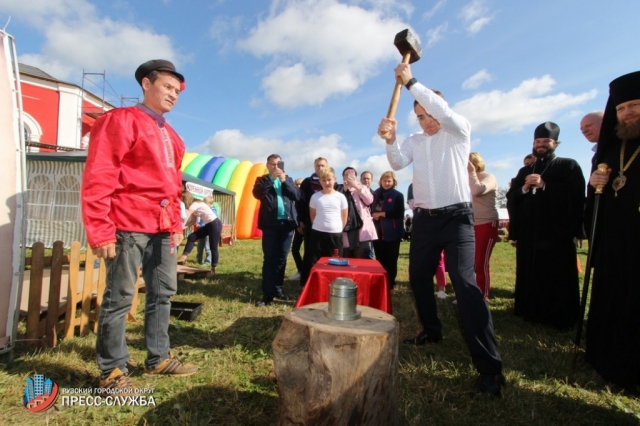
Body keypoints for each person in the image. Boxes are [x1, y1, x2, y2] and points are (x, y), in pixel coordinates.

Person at [377, 62, 503, 396]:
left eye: (429, 113)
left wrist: (411, 83)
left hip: (458, 218)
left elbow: (439, 109)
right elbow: (396, 162)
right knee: (418, 276)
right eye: (418, 116)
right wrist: (390, 139)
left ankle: (491, 369)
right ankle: (431, 330)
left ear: (440, 110)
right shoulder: (416, 141)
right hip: (425, 220)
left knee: (464, 282)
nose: (425, 120)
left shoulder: (458, 130)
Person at [81, 59, 197, 391]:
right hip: (128, 223)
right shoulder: (119, 121)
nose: (173, 94)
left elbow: (173, 186)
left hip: (163, 227)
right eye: (167, 87)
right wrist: (100, 229)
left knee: (163, 294)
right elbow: (100, 175)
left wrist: (176, 224)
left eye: (177, 90)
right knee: (120, 296)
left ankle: (158, 358)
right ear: (146, 84)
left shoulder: (173, 137)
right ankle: (112, 371)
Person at [585, 71, 640, 388]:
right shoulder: (610, 150)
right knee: (612, 294)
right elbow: (598, 192)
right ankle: (606, 357)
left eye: (633, 106)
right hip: (614, 237)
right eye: (621, 108)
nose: (627, 113)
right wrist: (595, 184)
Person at [506, 122, 585, 330]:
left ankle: (557, 315)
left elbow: (575, 197)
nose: (540, 145)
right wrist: (523, 188)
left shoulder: (569, 166)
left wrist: (545, 186)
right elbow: (512, 198)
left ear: (555, 143)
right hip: (530, 234)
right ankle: (530, 310)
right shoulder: (525, 170)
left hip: (555, 234)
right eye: (537, 141)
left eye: (545, 142)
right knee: (529, 272)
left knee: (555, 276)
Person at [252, 154, 300, 307]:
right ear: (267, 165)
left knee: (282, 258)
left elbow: (297, 195)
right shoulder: (262, 180)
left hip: (287, 225)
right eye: (272, 164)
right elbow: (257, 194)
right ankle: (267, 293)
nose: (275, 167)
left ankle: (278, 289)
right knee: (270, 258)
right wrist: (272, 179)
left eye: (278, 164)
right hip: (270, 224)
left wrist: (284, 180)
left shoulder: (288, 179)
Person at [408, 183, 448, 299]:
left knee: (439, 259)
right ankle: (421, 289)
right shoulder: (413, 185)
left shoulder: (440, 182)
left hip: (440, 224)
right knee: (420, 260)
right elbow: (412, 205)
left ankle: (441, 288)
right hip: (420, 224)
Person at [468, 152, 499, 301]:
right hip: (469, 224)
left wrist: (471, 173)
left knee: (481, 261)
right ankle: (470, 292)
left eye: (470, 163)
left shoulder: (489, 177)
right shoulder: (465, 179)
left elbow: (477, 190)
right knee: (468, 262)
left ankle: (482, 294)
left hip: (486, 222)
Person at [298, 157, 333, 286]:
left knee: (327, 253)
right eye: (318, 166)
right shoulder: (307, 182)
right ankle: (309, 281)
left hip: (329, 225)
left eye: (323, 165)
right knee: (311, 253)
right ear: (314, 167)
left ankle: (326, 279)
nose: (320, 168)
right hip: (311, 222)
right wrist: (300, 220)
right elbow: (301, 202)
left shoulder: (332, 182)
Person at [304, 167, 348, 270]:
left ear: (334, 179)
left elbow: (344, 217)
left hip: (335, 235)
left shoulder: (341, 197)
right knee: (313, 261)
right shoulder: (315, 197)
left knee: (334, 263)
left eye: (329, 179)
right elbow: (312, 216)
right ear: (320, 181)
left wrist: (337, 229)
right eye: (323, 180)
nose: (327, 182)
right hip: (317, 234)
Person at [371, 171, 404, 289]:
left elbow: (398, 212)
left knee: (391, 259)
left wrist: (380, 214)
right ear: (380, 181)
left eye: (389, 181)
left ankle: (390, 283)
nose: (386, 183)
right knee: (380, 258)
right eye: (384, 180)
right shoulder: (375, 194)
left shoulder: (398, 195)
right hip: (377, 231)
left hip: (392, 232)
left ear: (393, 182)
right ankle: (380, 281)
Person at [178, 193, 222, 275]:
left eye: (182, 200)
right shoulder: (194, 206)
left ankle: (213, 268)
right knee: (191, 237)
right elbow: (193, 221)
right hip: (208, 225)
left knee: (213, 247)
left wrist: (179, 227)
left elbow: (186, 217)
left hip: (215, 224)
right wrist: (182, 227)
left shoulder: (195, 204)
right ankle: (183, 258)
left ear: (186, 200)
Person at [339, 167, 376, 258]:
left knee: (360, 256)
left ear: (356, 177)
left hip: (360, 226)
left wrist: (357, 187)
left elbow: (369, 200)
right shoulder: (339, 189)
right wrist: (344, 189)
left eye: (352, 176)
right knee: (346, 255)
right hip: (345, 227)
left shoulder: (361, 187)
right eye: (346, 175)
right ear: (343, 177)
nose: (349, 177)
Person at [288, 177, 304, 280]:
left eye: (300, 184)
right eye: (296, 184)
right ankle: (301, 270)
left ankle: (306, 272)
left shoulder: (305, 197)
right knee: (294, 250)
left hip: (306, 226)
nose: (298, 186)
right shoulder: (293, 197)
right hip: (297, 227)